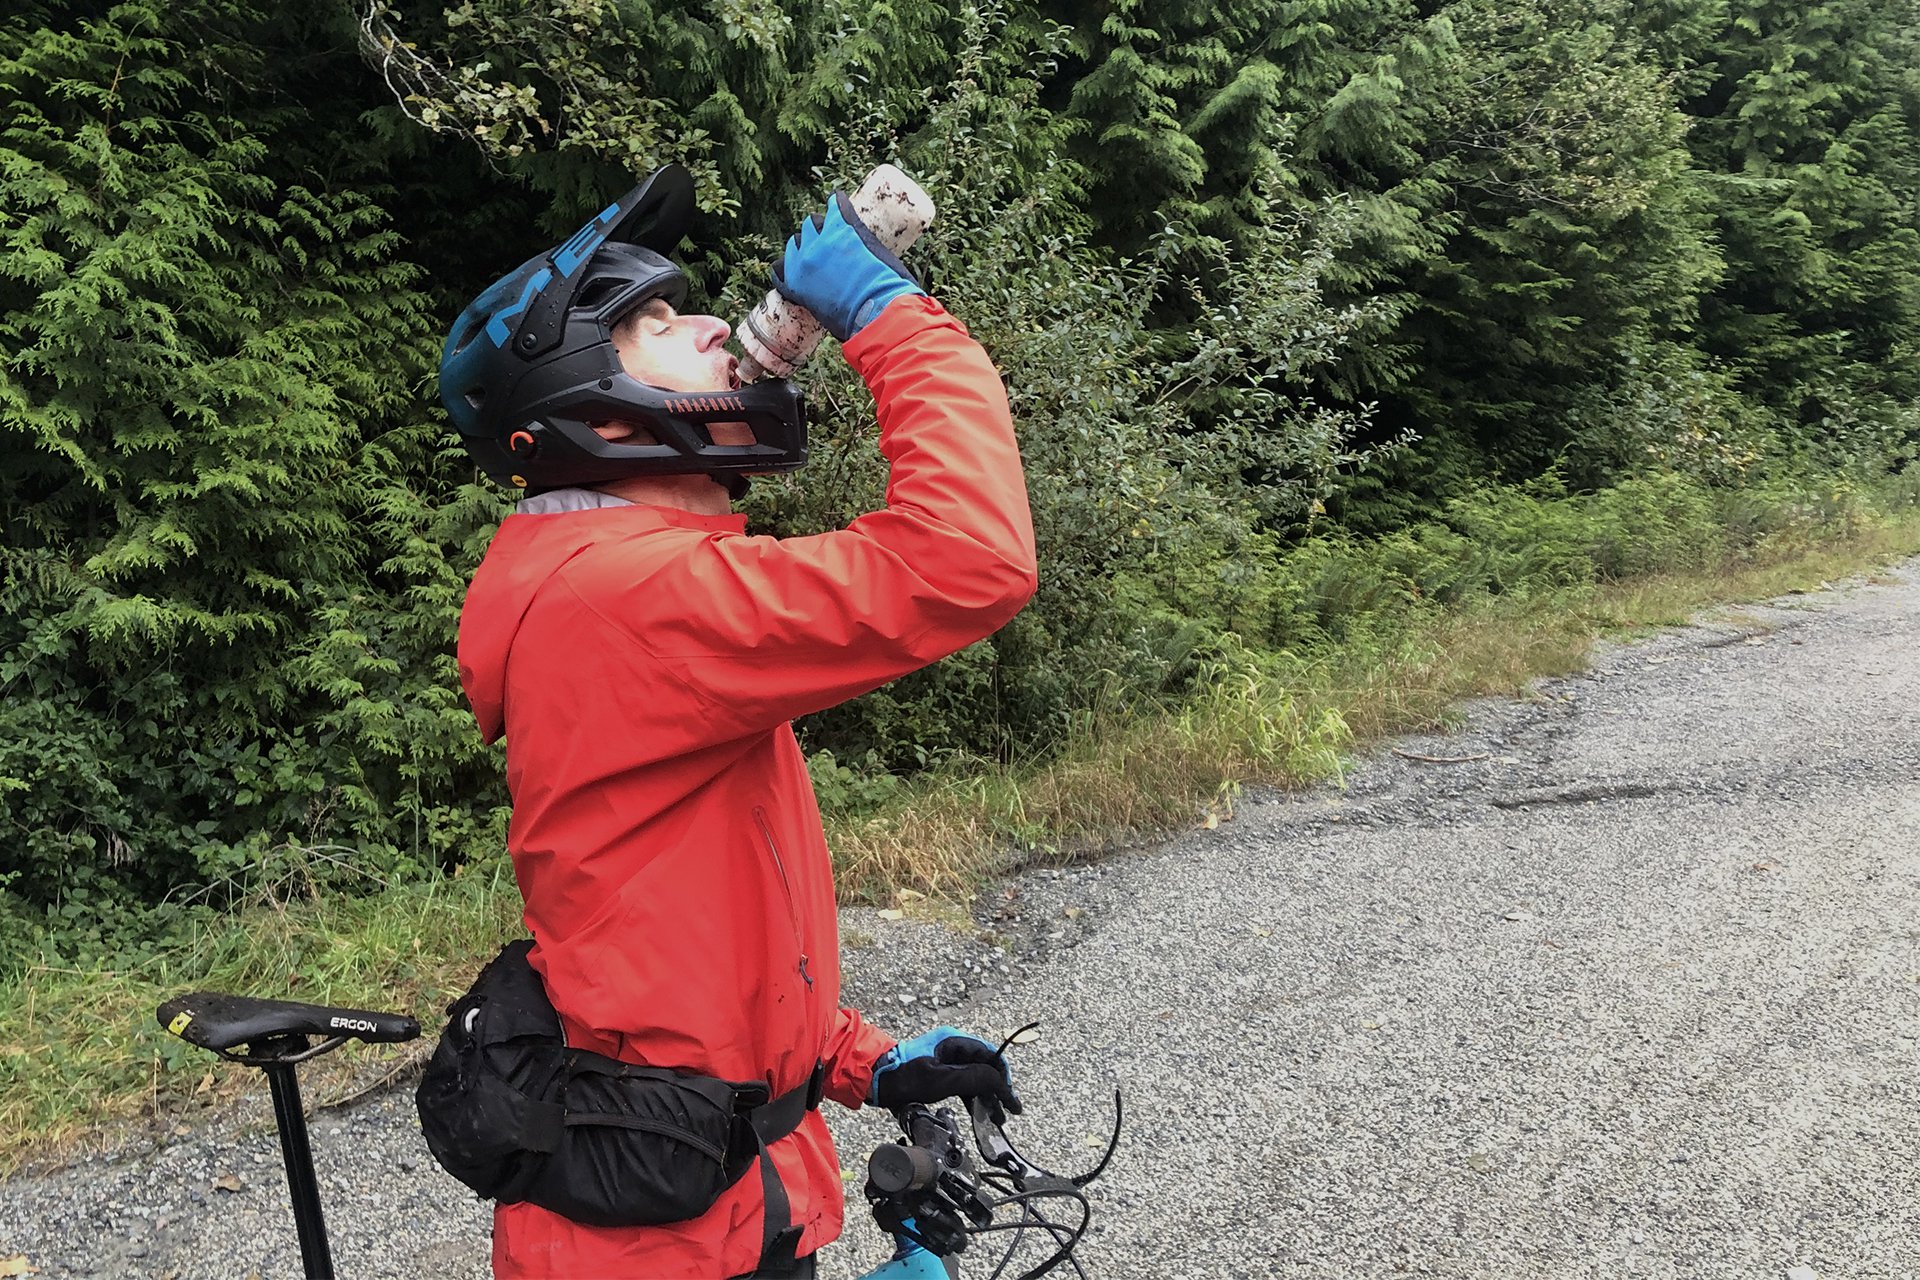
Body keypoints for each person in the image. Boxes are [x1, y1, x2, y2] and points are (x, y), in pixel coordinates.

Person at [438, 164, 1039, 1279]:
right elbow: (970, 557)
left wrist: (860, 1056)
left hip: (713, 1193)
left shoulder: (618, 579)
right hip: (663, 1239)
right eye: (655, 322)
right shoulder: (618, 593)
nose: (715, 321)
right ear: (590, 400)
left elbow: (680, 923)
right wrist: (887, 315)